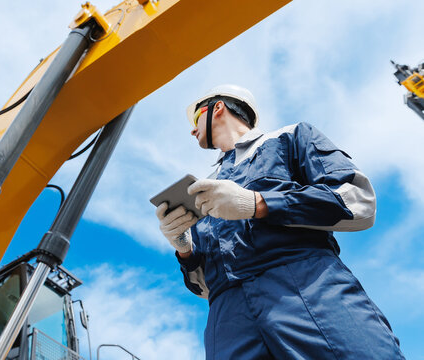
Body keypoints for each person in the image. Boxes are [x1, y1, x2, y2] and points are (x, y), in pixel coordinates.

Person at [155, 84, 405, 359]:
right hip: (226, 314)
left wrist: (258, 203)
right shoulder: (203, 188)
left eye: (195, 119)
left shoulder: (291, 137)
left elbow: (358, 200)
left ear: (218, 108)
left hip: (306, 287)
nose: (192, 130)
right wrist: (184, 249)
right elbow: (204, 288)